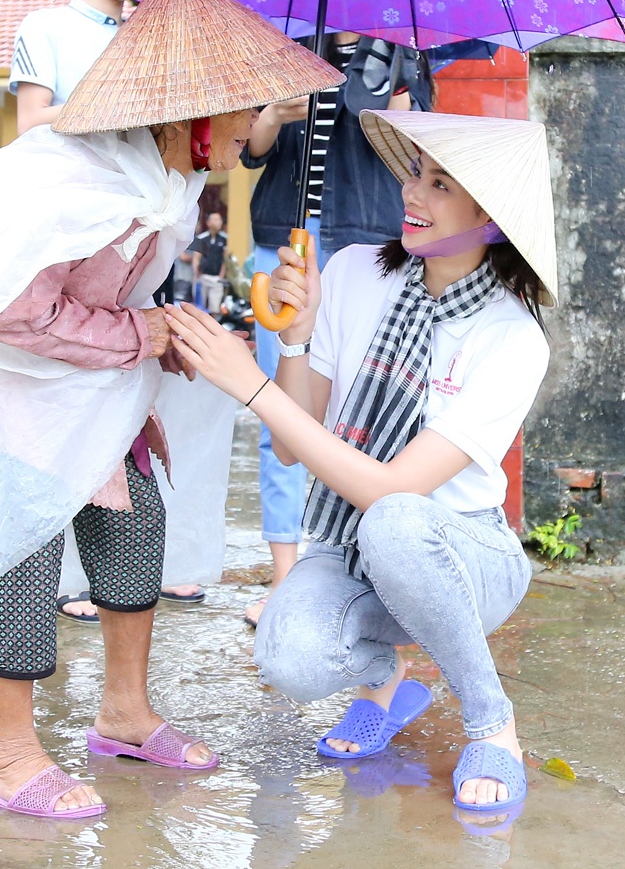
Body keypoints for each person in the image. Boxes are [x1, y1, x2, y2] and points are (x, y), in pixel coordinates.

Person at [0, 0, 343, 819]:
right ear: (189, 114)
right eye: (243, 108)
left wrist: (165, 329)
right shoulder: (73, 179)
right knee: (28, 545)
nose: (258, 126)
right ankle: (7, 755)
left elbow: (114, 296)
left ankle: (126, 714)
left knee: (134, 520)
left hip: (90, 372)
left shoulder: (166, 179)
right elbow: (10, 309)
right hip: (16, 378)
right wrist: (144, 335)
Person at [164, 109, 556, 815]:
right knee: (287, 656)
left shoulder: (511, 337)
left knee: (397, 522)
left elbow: (392, 491)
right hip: (352, 550)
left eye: (440, 184)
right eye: (413, 173)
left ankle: (494, 723)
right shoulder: (350, 273)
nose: (412, 194)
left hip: (464, 555)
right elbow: (292, 443)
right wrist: (293, 339)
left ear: (491, 218)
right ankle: (389, 676)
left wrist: (246, 383)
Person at [240, 35, 429, 627]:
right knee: (282, 412)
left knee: (359, 415)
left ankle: (358, 571)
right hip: (285, 239)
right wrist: (272, 111)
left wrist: (390, 82)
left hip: (366, 243)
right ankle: (283, 576)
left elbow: (414, 147)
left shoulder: (400, 50)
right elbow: (250, 150)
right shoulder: (284, 46)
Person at [9, 0, 125, 135]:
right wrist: (113, 106)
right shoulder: (44, 24)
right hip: (67, 153)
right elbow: (30, 121)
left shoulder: (147, 34)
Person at [186, 211, 228, 309]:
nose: (219, 222)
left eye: (220, 220)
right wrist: (197, 275)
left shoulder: (224, 239)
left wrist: (221, 277)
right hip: (203, 277)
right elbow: (197, 258)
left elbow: (225, 259)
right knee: (200, 306)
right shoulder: (202, 238)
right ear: (208, 223)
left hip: (216, 278)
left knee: (215, 307)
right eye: (215, 220)